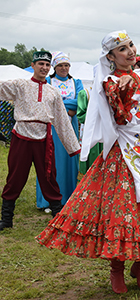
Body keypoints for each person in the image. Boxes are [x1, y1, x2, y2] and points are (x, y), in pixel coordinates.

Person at [36, 30, 140, 293]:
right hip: (123, 153)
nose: (130, 51)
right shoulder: (110, 82)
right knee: (122, 212)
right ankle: (117, 270)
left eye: (131, 45)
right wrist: (124, 88)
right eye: (123, 49)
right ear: (111, 56)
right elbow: (120, 115)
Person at [0, 51, 80, 230]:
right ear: (33, 65)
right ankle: (6, 219)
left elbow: (61, 121)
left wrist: (74, 148)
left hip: (44, 139)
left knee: (49, 176)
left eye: (47, 64)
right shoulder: (20, 85)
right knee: (15, 176)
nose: (44, 67)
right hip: (21, 136)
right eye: (40, 64)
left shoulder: (53, 92)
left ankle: (57, 217)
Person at [36, 52, 83, 210]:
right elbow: (44, 100)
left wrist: (59, 105)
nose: (64, 68)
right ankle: (48, 200)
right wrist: (66, 107)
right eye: (60, 65)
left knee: (70, 162)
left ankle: (69, 198)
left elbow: (81, 101)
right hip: (51, 128)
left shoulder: (76, 82)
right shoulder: (48, 81)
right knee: (50, 161)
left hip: (70, 127)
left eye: (66, 65)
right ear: (55, 67)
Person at [76, 85, 103, 179]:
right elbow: (80, 115)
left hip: (107, 132)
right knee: (92, 156)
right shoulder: (86, 93)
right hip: (91, 132)